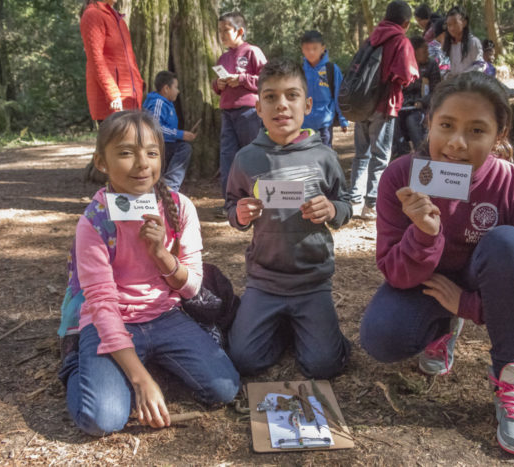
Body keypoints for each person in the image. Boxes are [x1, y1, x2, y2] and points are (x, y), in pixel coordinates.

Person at [359, 72, 514, 456]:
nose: (456, 144)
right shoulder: (402, 177)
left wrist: (470, 305)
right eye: (446, 126)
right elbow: (394, 271)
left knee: (508, 241)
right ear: (428, 123)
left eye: (476, 131)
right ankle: (441, 329)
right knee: (382, 336)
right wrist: (424, 234)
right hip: (428, 284)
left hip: (484, 283)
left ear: (499, 134)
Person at [60, 111, 239, 436]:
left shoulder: (179, 207)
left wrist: (160, 255)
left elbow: (193, 288)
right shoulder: (94, 222)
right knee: (102, 419)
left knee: (224, 388)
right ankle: (78, 363)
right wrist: (141, 381)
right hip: (109, 322)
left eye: (152, 152)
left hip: (165, 315)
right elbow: (101, 304)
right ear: (102, 162)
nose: (142, 163)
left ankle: (148, 361)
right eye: (126, 152)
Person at [225, 59, 352, 379]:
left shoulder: (324, 156)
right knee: (244, 360)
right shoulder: (246, 158)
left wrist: (333, 210)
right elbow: (231, 205)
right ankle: (282, 328)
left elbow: (345, 203)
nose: (281, 104)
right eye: (270, 97)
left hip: (312, 283)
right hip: (264, 282)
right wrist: (238, 214)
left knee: (325, 366)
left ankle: (310, 330)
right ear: (258, 107)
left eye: (291, 95)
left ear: (307, 104)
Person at [349, 0, 418, 221]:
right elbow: (406, 75)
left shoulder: (371, 38)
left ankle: (354, 201)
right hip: (385, 104)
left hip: (362, 104)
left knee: (361, 154)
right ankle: (371, 205)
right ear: (406, 23)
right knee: (380, 156)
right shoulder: (400, 41)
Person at [212, 11, 267, 199]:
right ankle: (230, 201)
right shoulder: (223, 58)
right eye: (219, 30)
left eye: (225, 30)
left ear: (240, 30)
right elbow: (217, 84)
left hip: (249, 112)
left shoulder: (252, 51)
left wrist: (242, 79)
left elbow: (266, 79)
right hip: (227, 113)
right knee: (228, 157)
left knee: (252, 153)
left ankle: (259, 198)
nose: (221, 34)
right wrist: (217, 85)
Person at [79, 0, 143, 122]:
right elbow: (95, 59)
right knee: (116, 141)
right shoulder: (93, 14)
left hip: (130, 99)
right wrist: (113, 94)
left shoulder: (118, 19)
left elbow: (129, 60)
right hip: (112, 101)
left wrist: (138, 88)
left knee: (133, 140)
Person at [143, 71, 197, 192]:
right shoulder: (158, 103)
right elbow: (155, 128)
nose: (178, 91)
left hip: (166, 144)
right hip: (157, 146)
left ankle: (167, 184)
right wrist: (181, 134)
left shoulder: (167, 104)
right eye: (176, 87)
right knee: (184, 148)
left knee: (184, 147)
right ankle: (170, 187)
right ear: (166, 88)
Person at [300, 30, 349, 148]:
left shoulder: (331, 69)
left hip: (325, 123)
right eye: (307, 48)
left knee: (324, 153)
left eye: (315, 48)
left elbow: (339, 95)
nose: (310, 52)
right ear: (302, 49)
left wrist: (343, 119)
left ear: (323, 48)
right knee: (305, 155)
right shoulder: (299, 71)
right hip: (303, 123)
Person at [394, 36, 441, 155]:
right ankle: (402, 154)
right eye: (424, 51)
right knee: (393, 121)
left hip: (422, 107)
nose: (427, 53)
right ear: (414, 52)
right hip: (403, 106)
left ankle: (422, 153)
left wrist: (423, 101)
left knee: (412, 121)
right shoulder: (403, 65)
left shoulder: (431, 65)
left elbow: (436, 90)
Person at [443, 5, 485, 76]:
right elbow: (444, 66)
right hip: (453, 85)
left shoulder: (473, 42)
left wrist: (462, 77)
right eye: (449, 25)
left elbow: (480, 65)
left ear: (464, 22)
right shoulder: (448, 44)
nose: (452, 28)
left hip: (470, 84)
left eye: (455, 23)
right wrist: (447, 75)